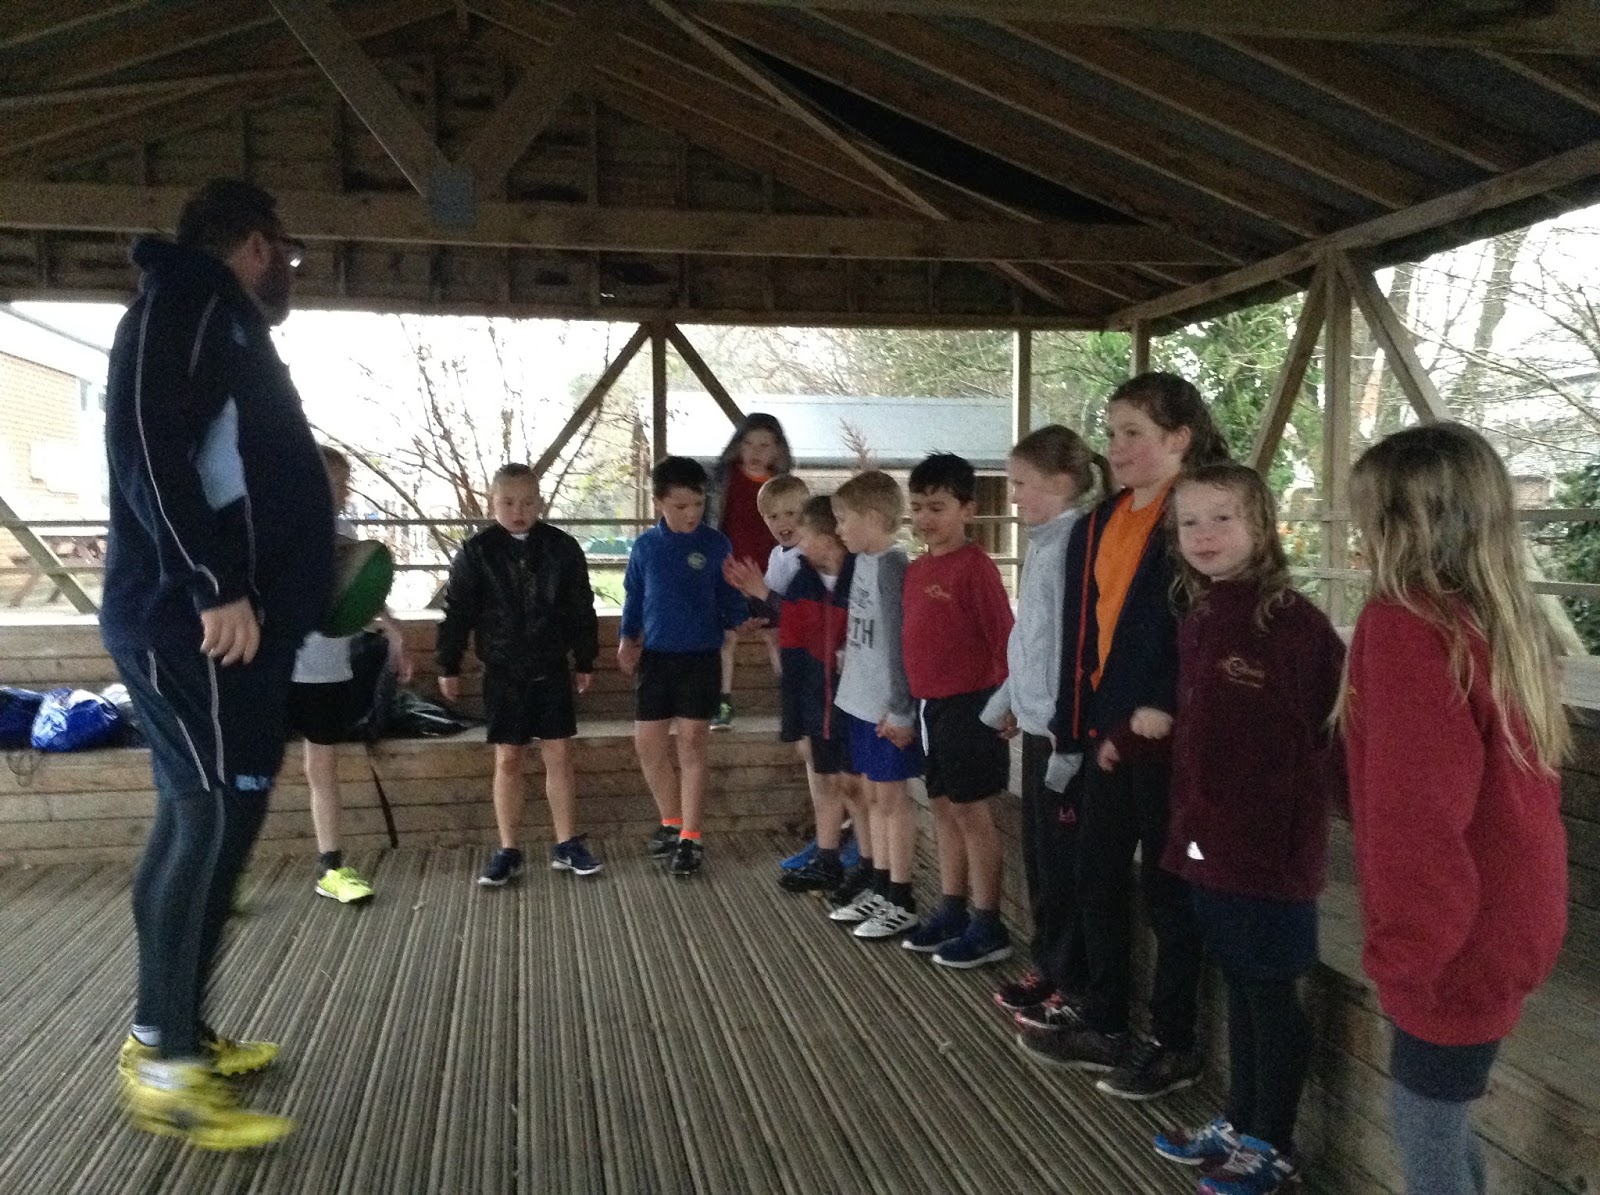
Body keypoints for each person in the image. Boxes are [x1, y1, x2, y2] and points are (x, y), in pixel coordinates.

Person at [104, 178, 332, 1148]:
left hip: (228, 625)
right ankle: (165, 1064)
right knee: (207, 818)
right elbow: (148, 447)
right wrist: (212, 584)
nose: (287, 270)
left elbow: (237, 467)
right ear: (254, 241)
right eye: (285, 252)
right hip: (196, 623)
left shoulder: (218, 317)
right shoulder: (187, 302)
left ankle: (175, 1028)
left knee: (204, 815)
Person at [1339, 424, 1568, 1195]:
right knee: (1442, 1122)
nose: (1355, 537)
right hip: (1507, 920)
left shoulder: (1404, 625)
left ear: (1403, 524)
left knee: (1424, 1130)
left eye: (1366, 517)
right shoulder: (1501, 625)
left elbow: (1418, 815)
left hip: (1451, 940)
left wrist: (1406, 951)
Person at [1025, 372, 1227, 1100]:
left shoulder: (1202, 518)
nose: (1115, 448)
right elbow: (1086, 631)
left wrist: (1168, 707)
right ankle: (1106, 1017)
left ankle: (1175, 1041)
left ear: (1179, 438)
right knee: (1095, 873)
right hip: (1107, 734)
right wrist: (1072, 726)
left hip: (1174, 743)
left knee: (1176, 889)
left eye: (1132, 433)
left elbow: (1205, 634)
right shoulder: (1103, 519)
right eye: (1111, 434)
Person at [1150, 463, 1345, 1194]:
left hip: (1272, 854)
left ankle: (1273, 1139)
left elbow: (1336, 741)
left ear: (1263, 526)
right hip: (1204, 842)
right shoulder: (1200, 614)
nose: (1202, 534)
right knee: (1234, 978)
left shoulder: (1296, 627)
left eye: (1221, 517)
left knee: (1270, 993)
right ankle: (1238, 1116)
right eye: (1189, 521)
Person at [982, 426, 1108, 1011]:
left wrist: (1062, 725)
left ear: (1060, 483)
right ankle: (1051, 968)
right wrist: (1011, 700)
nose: (1012, 496)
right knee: (1040, 855)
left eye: (1020, 483)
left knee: (1065, 864)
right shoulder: (1046, 542)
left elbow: (1070, 647)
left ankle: (1074, 983)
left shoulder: (1076, 547)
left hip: (1064, 734)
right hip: (1038, 725)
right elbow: (1029, 641)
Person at [437, 463, 601, 887]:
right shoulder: (476, 552)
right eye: (508, 502)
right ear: (492, 504)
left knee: (559, 755)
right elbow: (458, 612)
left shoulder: (563, 548)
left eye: (527, 501)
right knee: (508, 759)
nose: (518, 510)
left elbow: (581, 607)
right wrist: (448, 664)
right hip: (502, 671)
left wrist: (585, 659)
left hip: (551, 667)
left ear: (540, 503)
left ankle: (567, 843)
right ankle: (508, 848)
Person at [898, 454, 1015, 968]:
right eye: (918, 507)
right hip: (932, 708)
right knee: (942, 807)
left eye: (938, 508)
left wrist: (1006, 704)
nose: (926, 519)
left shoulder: (976, 568)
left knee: (972, 813)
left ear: (967, 510)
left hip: (973, 706)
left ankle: (989, 923)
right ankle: (952, 907)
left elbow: (1005, 641)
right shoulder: (918, 568)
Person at [726, 493, 868, 894]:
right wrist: (757, 606)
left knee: (852, 784)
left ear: (830, 537)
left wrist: (764, 595)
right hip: (811, 693)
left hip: (847, 699)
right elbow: (794, 624)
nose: (799, 543)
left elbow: (818, 626)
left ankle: (866, 861)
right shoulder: (805, 575)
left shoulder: (858, 575)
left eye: (805, 533)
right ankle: (827, 858)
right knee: (826, 778)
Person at [292, 445, 413, 904]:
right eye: (334, 485)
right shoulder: (271, 531)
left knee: (322, 767)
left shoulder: (345, 534)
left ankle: (331, 868)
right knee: (252, 773)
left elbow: (360, 594)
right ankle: (229, 868)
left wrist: (393, 630)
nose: (343, 494)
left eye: (346, 485)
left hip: (326, 668)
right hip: (275, 668)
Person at [617, 455, 750, 877]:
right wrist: (627, 638)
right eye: (680, 506)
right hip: (656, 658)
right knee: (648, 745)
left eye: (697, 504)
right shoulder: (645, 547)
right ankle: (670, 822)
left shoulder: (715, 544)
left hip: (700, 657)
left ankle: (692, 836)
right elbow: (634, 597)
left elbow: (730, 597)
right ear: (659, 503)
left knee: (692, 741)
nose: (691, 513)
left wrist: (740, 613)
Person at [827, 470, 923, 941]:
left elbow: (902, 641)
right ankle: (883, 885)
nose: (839, 529)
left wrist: (902, 706)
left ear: (871, 518)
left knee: (891, 800)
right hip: (860, 701)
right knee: (872, 796)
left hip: (885, 705)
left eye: (844, 520)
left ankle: (900, 894)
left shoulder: (892, 565)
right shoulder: (862, 562)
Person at [705, 413, 794, 730]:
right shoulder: (721, 481)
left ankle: (791, 703)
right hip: (730, 574)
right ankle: (722, 703)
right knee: (726, 639)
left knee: (777, 636)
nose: (756, 451)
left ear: (777, 451)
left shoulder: (784, 487)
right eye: (749, 443)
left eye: (764, 445)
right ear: (737, 447)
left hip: (771, 576)